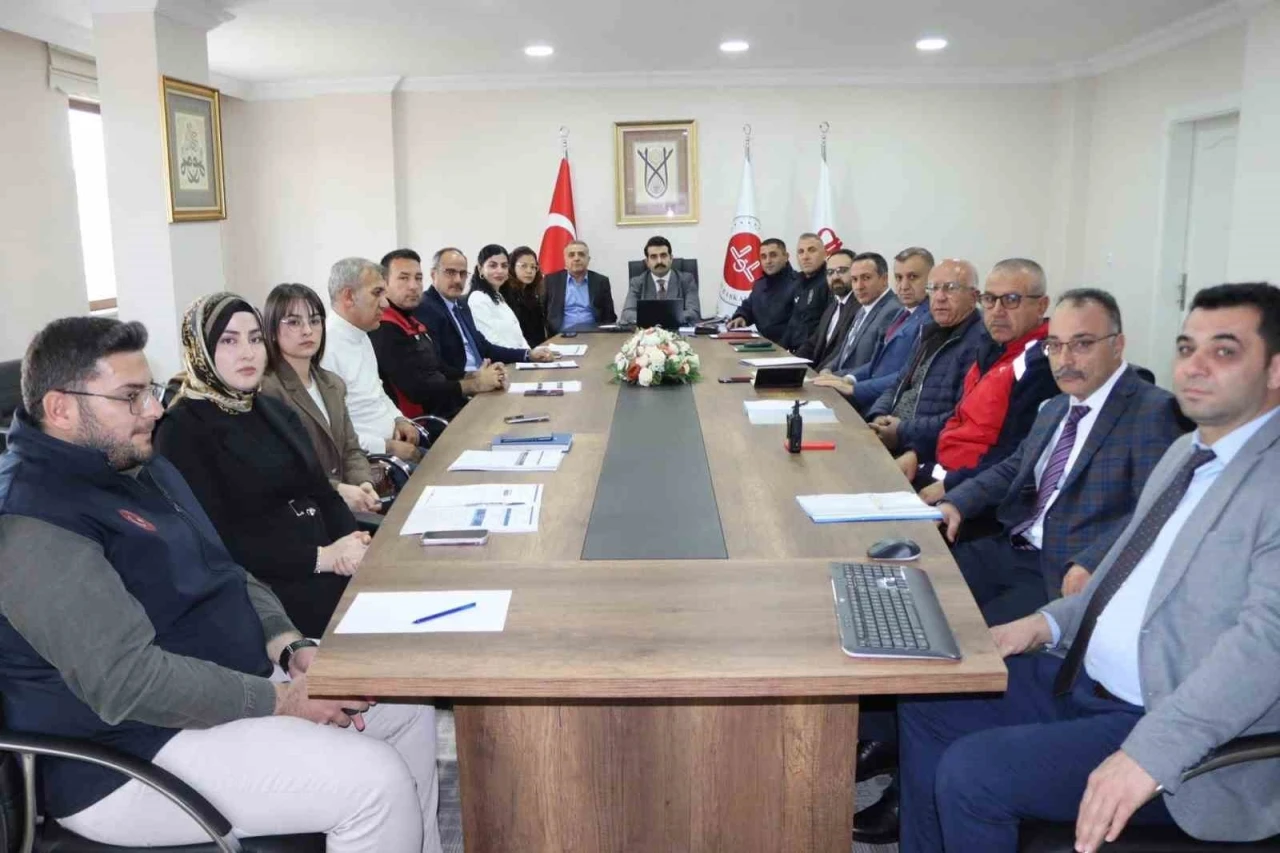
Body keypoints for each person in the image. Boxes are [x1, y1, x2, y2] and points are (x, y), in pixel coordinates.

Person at [0, 316, 440, 851]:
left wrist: (288, 646)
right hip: (126, 754)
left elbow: (227, 570)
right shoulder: (33, 518)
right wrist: (285, 701)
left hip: (223, 690)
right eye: (131, 397)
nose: (155, 410)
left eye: (150, 391)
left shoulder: (139, 467)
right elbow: (128, 684)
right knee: (373, 784)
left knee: (404, 706)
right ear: (61, 409)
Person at [898, 282, 1280, 853]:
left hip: (1165, 724)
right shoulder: (1190, 454)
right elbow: (1124, 576)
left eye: (1224, 351)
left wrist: (1149, 754)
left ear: (1275, 369)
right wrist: (1046, 624)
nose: (1195, 366)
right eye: (1186, 348)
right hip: (1084, 676)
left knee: (974, 773)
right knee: (930, 699)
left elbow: (1266, 650)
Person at [938, 288, 1188, 623]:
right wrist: (958, 502)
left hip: (1063, 570)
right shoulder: (1056, 406)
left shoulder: (1152, 411)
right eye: (1054, 345)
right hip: (1011, 546)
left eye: (1082, 344)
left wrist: (1093, 561)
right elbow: (1016, 467)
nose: (1064, 360)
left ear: (1117, 345)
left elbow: (1157, 509)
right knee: (916, 587)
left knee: (963, 632)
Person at [154, 294, 369, 639]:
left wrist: (350, 542)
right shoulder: (180, 430)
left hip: (329, 564)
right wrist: (323, 558)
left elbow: (322, 492)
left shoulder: (272, 409)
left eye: (255, 339)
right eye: (229, 341)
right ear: (200, 350)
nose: (248, 353)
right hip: (267, 592)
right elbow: (216, 541)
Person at [906, 258, 1057, 502]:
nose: (997, 311)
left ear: (1041, 306)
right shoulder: (991, 347)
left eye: (1011, 300)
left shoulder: (1041, 365)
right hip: (938, 470)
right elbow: (960, 417)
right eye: (989, 299)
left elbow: (1015, 456)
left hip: (969, 494)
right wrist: (917, 452)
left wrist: (951, 488)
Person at [259, 282, 381, 515]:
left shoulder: (332, 384)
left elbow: (351, 449)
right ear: (272, 331)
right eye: (294, 322)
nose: (307, 330)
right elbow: (286, 467)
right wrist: (338, 490)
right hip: (304, 511)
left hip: (345, 507)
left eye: (315, 321)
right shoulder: (268, 389)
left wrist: (364, 483)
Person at [865, 259, 988, 464]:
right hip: (893, 436)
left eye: (950, 288)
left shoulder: (980, 343)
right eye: (934, 288)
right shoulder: (929, 332)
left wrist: (902, 432)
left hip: (922, 452)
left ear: (973, 297)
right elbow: (899, 384)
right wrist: (878, 414)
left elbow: (960, 417)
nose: (939, 297)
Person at [373, 248, 505, 420]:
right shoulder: (385, 327)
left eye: (418, 278)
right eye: (403, 278)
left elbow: (437, 368)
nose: (413, 286)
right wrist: (475, 384)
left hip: (447, 407)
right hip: (426, 422)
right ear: (384, 283)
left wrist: (473, 375)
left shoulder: (411, 319)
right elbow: (419, 389)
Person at [319, 256, 423, 463]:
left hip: (392, 446)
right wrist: (387, 446)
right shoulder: (325, 348)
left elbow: (377, 391)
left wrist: (398, 418)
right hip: (370, 462)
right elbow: (332, 432)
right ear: (349, 296)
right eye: (377, 293)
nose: (385, 303)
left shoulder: (362, 333)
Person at [813, 246, 933, 414]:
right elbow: (876, 363)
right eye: (899, 278)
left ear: (931, 279)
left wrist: (854, 388)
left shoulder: (930, 319)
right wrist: (848, 378)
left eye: (913, 277)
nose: (904, 286)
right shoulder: (902, 312)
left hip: (881, 404)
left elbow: (907, 375)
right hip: (869, 396)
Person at [415, 247, 555, 373]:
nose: (458, 279)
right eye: (450, 272)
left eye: (463, 273)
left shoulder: (460, 305)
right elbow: (437, 366)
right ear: (433, 274)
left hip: (487, 374)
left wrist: (528, 355)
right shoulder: (427, 308)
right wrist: (474, 380)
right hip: (467, 384)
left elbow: (484, 347)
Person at [820, 251, 902, 376]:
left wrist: (836, 377)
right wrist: (827, 369)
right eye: (854, 279)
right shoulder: (863, 308)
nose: (859, 286)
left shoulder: (893, 310)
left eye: (866, 278)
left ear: (884, 279)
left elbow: (876, 365)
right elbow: (843, 354)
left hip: (855, 385)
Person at [795, 248, 861, 370]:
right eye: (830, 272)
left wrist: (814, 375)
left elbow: (840, 353)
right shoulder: (833, 305)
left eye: (842, 270)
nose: (835, 277)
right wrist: (792, 364)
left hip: (831, 374)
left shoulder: (860, 307)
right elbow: (812, 344)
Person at [726, 237, 797, 341]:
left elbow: (799, 327)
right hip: (762, 344)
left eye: (773, 255)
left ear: (786, 257)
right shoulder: (759, 285)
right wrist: (741, 317)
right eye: (763, 257)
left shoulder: (799, 284)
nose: (768, 261)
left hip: (786, 347)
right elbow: (748, 307)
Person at [619, 236, 701, 326]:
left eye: (663, 255)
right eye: (653, 257)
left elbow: (693, 313)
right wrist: (665, 318)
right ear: (647, 262)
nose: (659, 261)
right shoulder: (637, 282)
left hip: (678, 332)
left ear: (671, 258)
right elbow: (627, 314)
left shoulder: (686, 280)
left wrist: (655, 318)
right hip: (648, 333)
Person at [543, 240, 617, 334]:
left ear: (588, 259)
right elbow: (543, 312)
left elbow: (609, 315)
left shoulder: (601, 281)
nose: (576, 258)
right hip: (560, 336)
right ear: (565, 260)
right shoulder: (551, 281)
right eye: (571, 255)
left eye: (581, 254)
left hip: (593, 335)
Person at [467, 244, 530, 350]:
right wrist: (524, 355)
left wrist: (530, 353)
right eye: (493, 266)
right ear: (480, 269)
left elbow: (518, 337)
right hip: (503, 359)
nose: (500, 271)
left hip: (518, 356)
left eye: (504, 266)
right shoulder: (477, 298)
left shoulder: (499, 296)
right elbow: (492, 342)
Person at [781, 232, 832, 352]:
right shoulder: (797, 282)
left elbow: (825, 330)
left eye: (812, 250)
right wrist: (779, 350)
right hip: (794, 353)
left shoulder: (830, 282)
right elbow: (793, 322)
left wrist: (799, 356)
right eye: (801, 252)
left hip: (814, 355)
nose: (805, 257)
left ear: (825, 254)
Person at [504, 245, 548, 347]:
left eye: (533, 267)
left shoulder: (532, 294)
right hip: (519, 351)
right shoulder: (506, 295)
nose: (529, 271)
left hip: (539, 349)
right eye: (523, 266)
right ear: (512, 267)